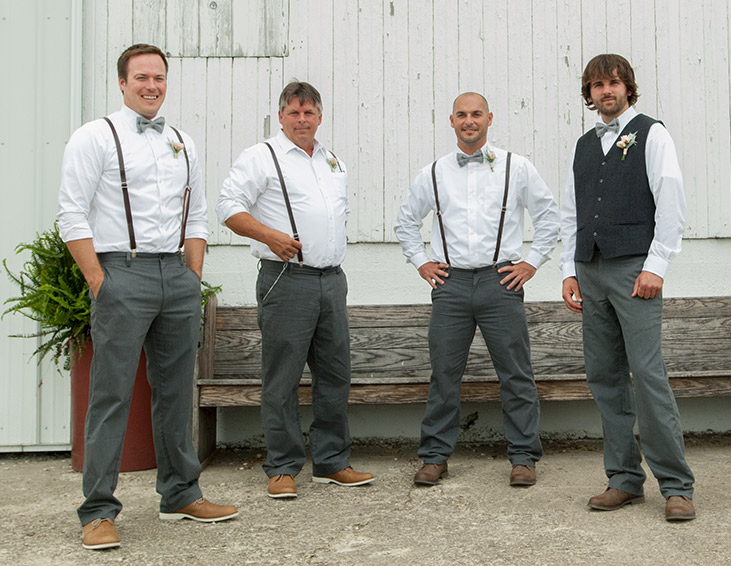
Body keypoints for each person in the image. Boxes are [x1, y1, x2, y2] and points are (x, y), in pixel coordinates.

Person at [57, 43, 238, 551]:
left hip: (175, 276)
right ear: (122, 82)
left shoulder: (182, 140)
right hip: (121, 271)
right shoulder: (95, 136)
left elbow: (197, 214)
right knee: (111, 394)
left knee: (178, 390)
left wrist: (192, 277)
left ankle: (180, 493)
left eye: (159, 78)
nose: (152, 86)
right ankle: (97, 511)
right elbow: (71, 214)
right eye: (141, 77)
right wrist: (100, 280)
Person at [217, 81, 373, 500]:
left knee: (335, 375)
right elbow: (227, 207)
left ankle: (332, 462)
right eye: (293, 112)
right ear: (281, 116)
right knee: (282, 378)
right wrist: (269, 236)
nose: (302, 119)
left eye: (309, 112)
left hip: (331, 280)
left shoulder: (331, 160)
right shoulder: (260, 157)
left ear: (319, 116)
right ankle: (283, 466)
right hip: (287, 280)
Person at [395, 92, 560, 487]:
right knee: (444, 375)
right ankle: (435, 456)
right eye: (462, 115)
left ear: (490, 118)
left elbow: (550, 217)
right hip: (451, 286)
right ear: (450, 121)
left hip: (499, 281)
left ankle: (523, 457)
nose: (470, 121)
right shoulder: (432, 173)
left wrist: (532, 262)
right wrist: (421, 262)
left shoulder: (516, 167)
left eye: (477, 114)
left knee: (516, 374)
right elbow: (405, 222)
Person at [559, 54, 695, 522]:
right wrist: (569, 269)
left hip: (635, 269)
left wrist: (656, 265)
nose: (605, 91)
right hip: (590, 269)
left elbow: (672, 201)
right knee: (604, 377)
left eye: (613, 83)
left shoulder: (651, 134)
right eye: (596, 85)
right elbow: (570, 211)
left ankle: (676, 485)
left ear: (627, 87)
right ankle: (623, 479)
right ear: (589, 93)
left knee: (648, 374)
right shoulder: (582, 144)